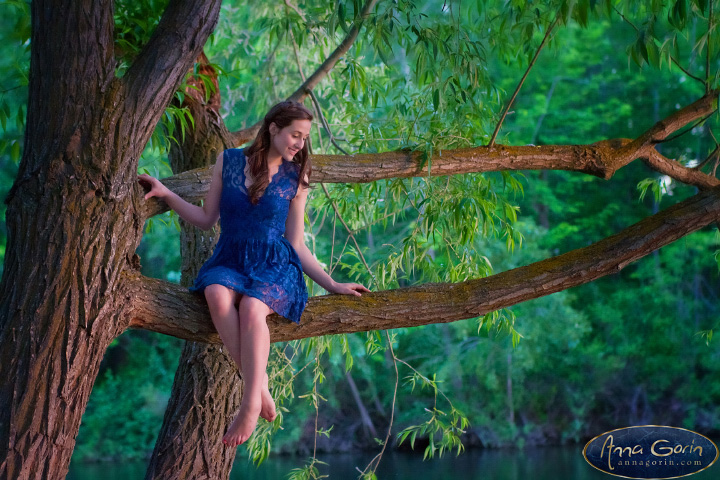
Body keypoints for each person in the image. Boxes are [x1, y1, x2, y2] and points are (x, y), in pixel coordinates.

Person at [138, 101, 370, 447]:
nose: (300, 144)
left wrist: (333, 284)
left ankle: (249, 404)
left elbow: (297, 244)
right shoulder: (229, 162)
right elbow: (206, 219)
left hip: (274, 264)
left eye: (305, 138)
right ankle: (260, 385)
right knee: (216, 294)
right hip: (230, 258)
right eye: (295, 135)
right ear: (273, 128)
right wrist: (168, 194)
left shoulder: (297, 176)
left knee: (250, 308)